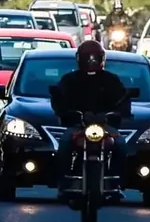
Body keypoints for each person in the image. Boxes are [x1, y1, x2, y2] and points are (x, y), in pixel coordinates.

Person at [51, 40, 131, 197]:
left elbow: (123, 100)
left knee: (120, 145)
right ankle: (63, 182)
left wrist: (117, 114)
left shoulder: (111, 80)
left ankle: (117, 182)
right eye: (88, 57)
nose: (91, 61)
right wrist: (71, 114)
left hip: (105, 127)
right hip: (78, 126)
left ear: (102, 59)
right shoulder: (69, 80)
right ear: (79, 58)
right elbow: (59, 101)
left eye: (95, 58)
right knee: (64, 144)